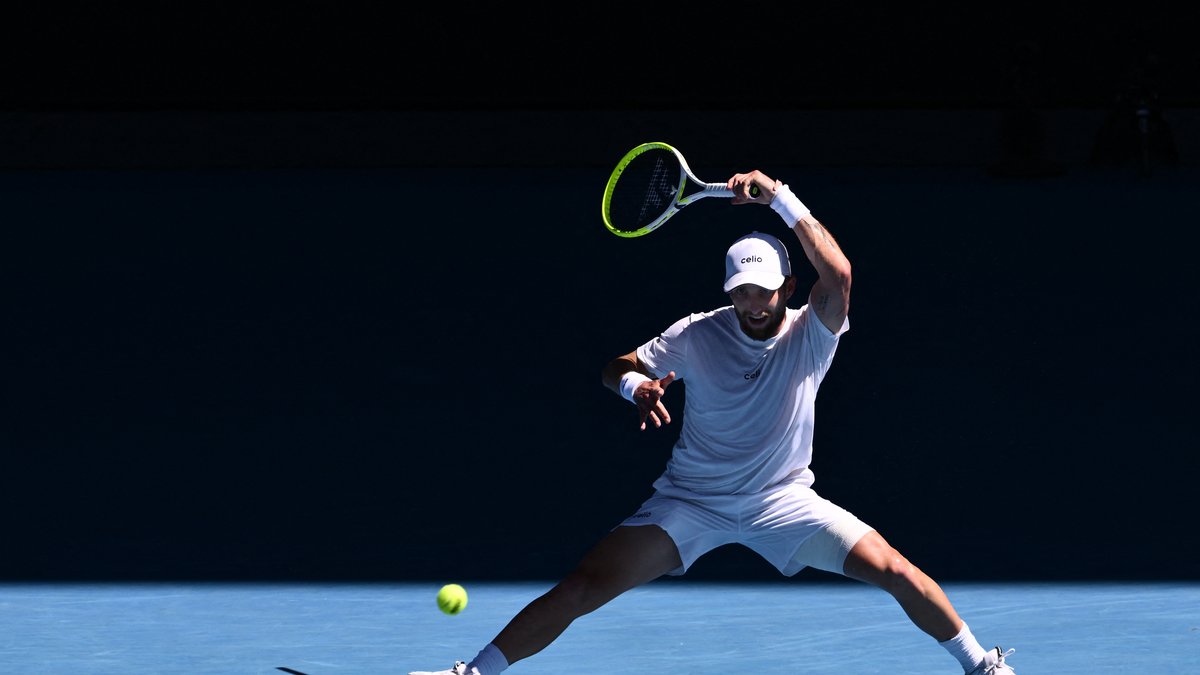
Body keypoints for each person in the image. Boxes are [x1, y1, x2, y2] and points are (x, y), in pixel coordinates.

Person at [411, 170, 1017, 674]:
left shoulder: (814, 332)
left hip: (783, 500)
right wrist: (634, 385)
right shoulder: (698, 333)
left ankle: (981, 666)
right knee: (583, 586)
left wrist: (781, 197)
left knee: (894, 570)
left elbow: (841, 275)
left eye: (764, 291)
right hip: (691, 500)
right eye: (741, 292)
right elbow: (614, 365)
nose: (752, 304)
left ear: (787, 286)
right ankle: (472, 674)